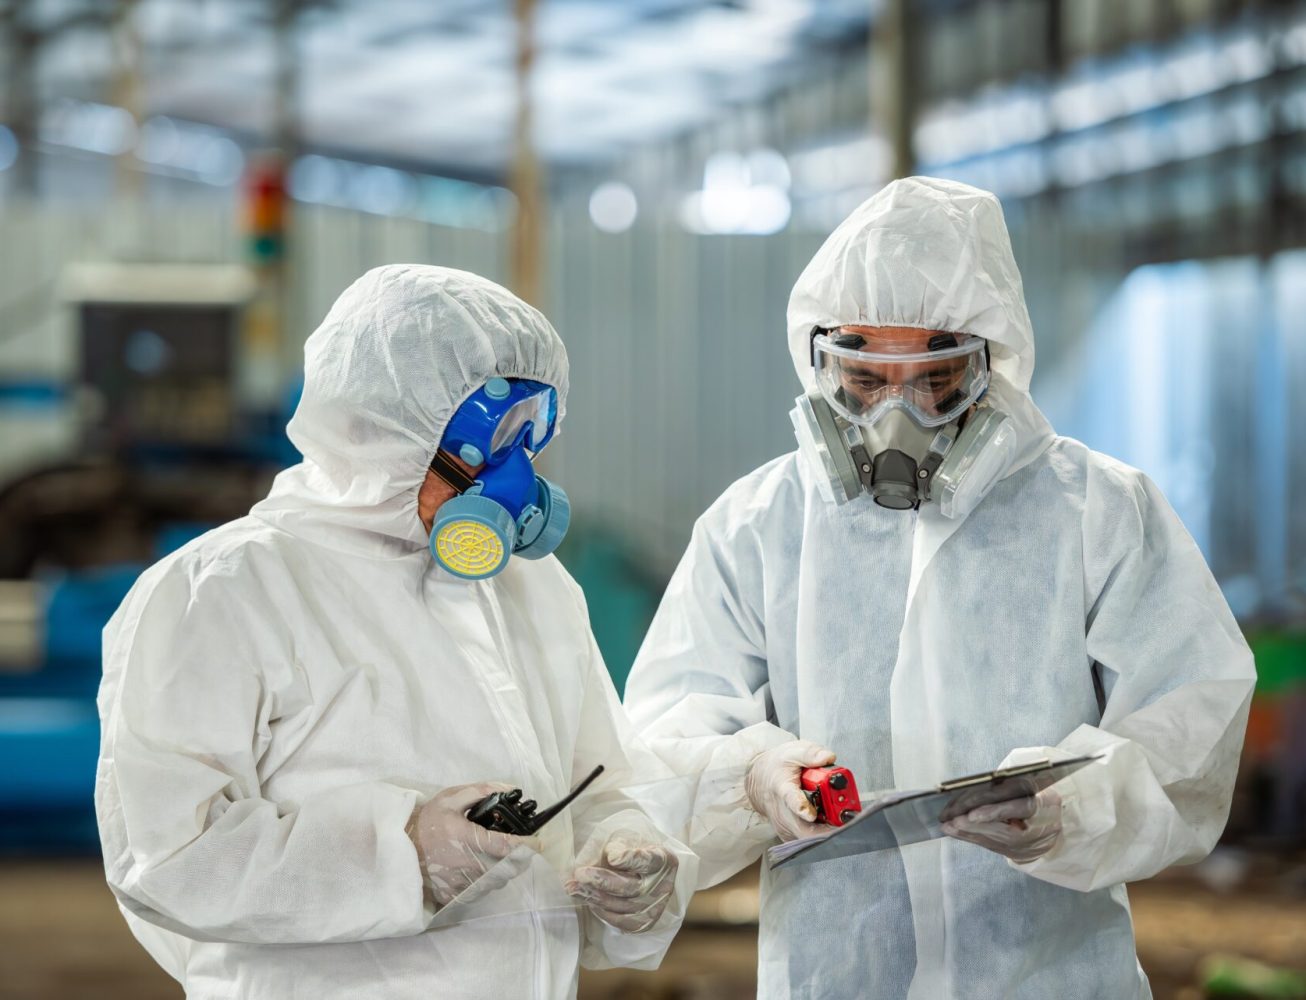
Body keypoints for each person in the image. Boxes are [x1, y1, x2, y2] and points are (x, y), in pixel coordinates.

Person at [623, 177, 1255, 999]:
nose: (897, 414)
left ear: (993, 363)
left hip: (1053, 978)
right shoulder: (757, 525)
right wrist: (752, 775)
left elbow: (1191, 719)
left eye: (935, 378)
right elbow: (670, 726)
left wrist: (1070, 807)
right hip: (832, 976)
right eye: (862, 377)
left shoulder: (1098, 510)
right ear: (819, 363)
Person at [95, 264, 694, 1000]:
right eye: (474, 456)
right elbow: (170, 856)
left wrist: (623, 850)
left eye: (522, 448)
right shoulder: (222, 592)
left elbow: (601, 777)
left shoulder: (531, 588)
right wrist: (401, 853)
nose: (504, 489)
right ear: (370, 434)